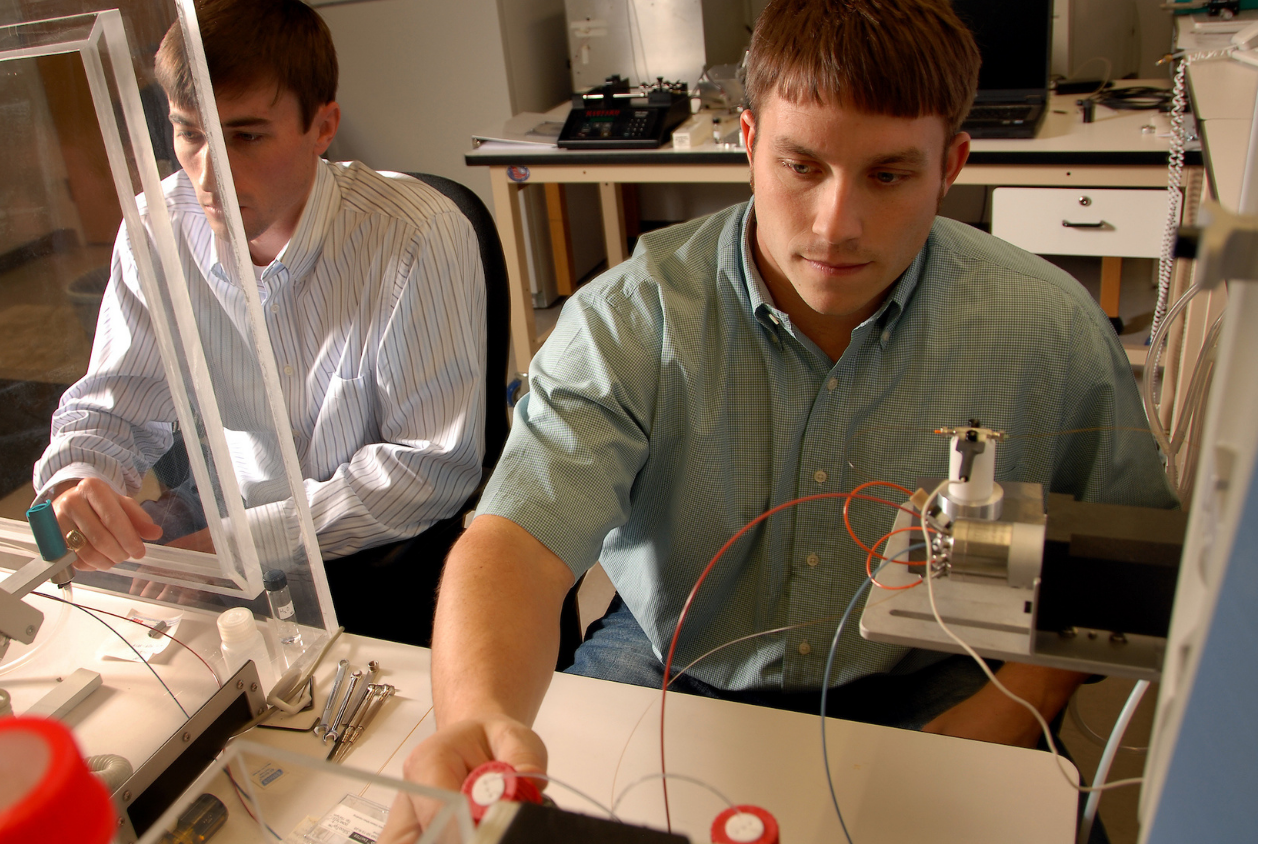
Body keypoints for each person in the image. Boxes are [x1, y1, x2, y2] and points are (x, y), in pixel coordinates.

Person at [388, 0, 1174, 831]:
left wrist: (1025, 697)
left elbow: (1110, 569)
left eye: (889, 174)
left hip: (934, 673)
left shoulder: (1045, 327)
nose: (837, 226)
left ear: (953, 165)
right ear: (750, 142)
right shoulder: (631, 320)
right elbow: (516, 541)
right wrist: (475, 719)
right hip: (679, 660)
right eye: (802, 167)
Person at [32, 0, 486, 645]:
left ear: (323, 126)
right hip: (216, 521)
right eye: (190, 134)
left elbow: (429, 467)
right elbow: (110, 411)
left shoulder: (417, 235)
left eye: (245, 137)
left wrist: (230, 549)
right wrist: (82, 483)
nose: (209, 177)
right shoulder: (153, 230)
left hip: (368, 548)